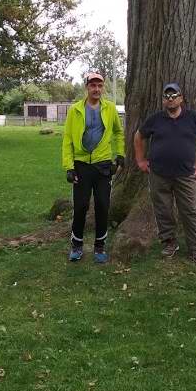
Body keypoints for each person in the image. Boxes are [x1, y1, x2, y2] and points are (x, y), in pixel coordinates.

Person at [134, 82, 196, 263]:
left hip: (185, 175)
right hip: (159, 174)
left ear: (181, 98)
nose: (170, 99)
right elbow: (139, 136)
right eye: (166, 97)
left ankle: (195, 248)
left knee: (190, 211)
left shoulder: (194, 118)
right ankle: (169, 243)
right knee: (163, 210)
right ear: (163, 100)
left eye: (173, 96)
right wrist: (140, 160)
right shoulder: (155, 119)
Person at [62, 71, 125, 263]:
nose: (96, 89)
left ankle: (99, 247)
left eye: (99, 86)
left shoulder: (110, 108)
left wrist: (120, 155)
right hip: (81, 165)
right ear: (87, 87)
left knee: (103, 206)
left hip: (103, 165)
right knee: (80, 207)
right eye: (93, 85)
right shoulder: (75, 110)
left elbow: (118, 132)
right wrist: (69, 166)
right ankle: (77, 245)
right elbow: (67, 139)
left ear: (102, 88)